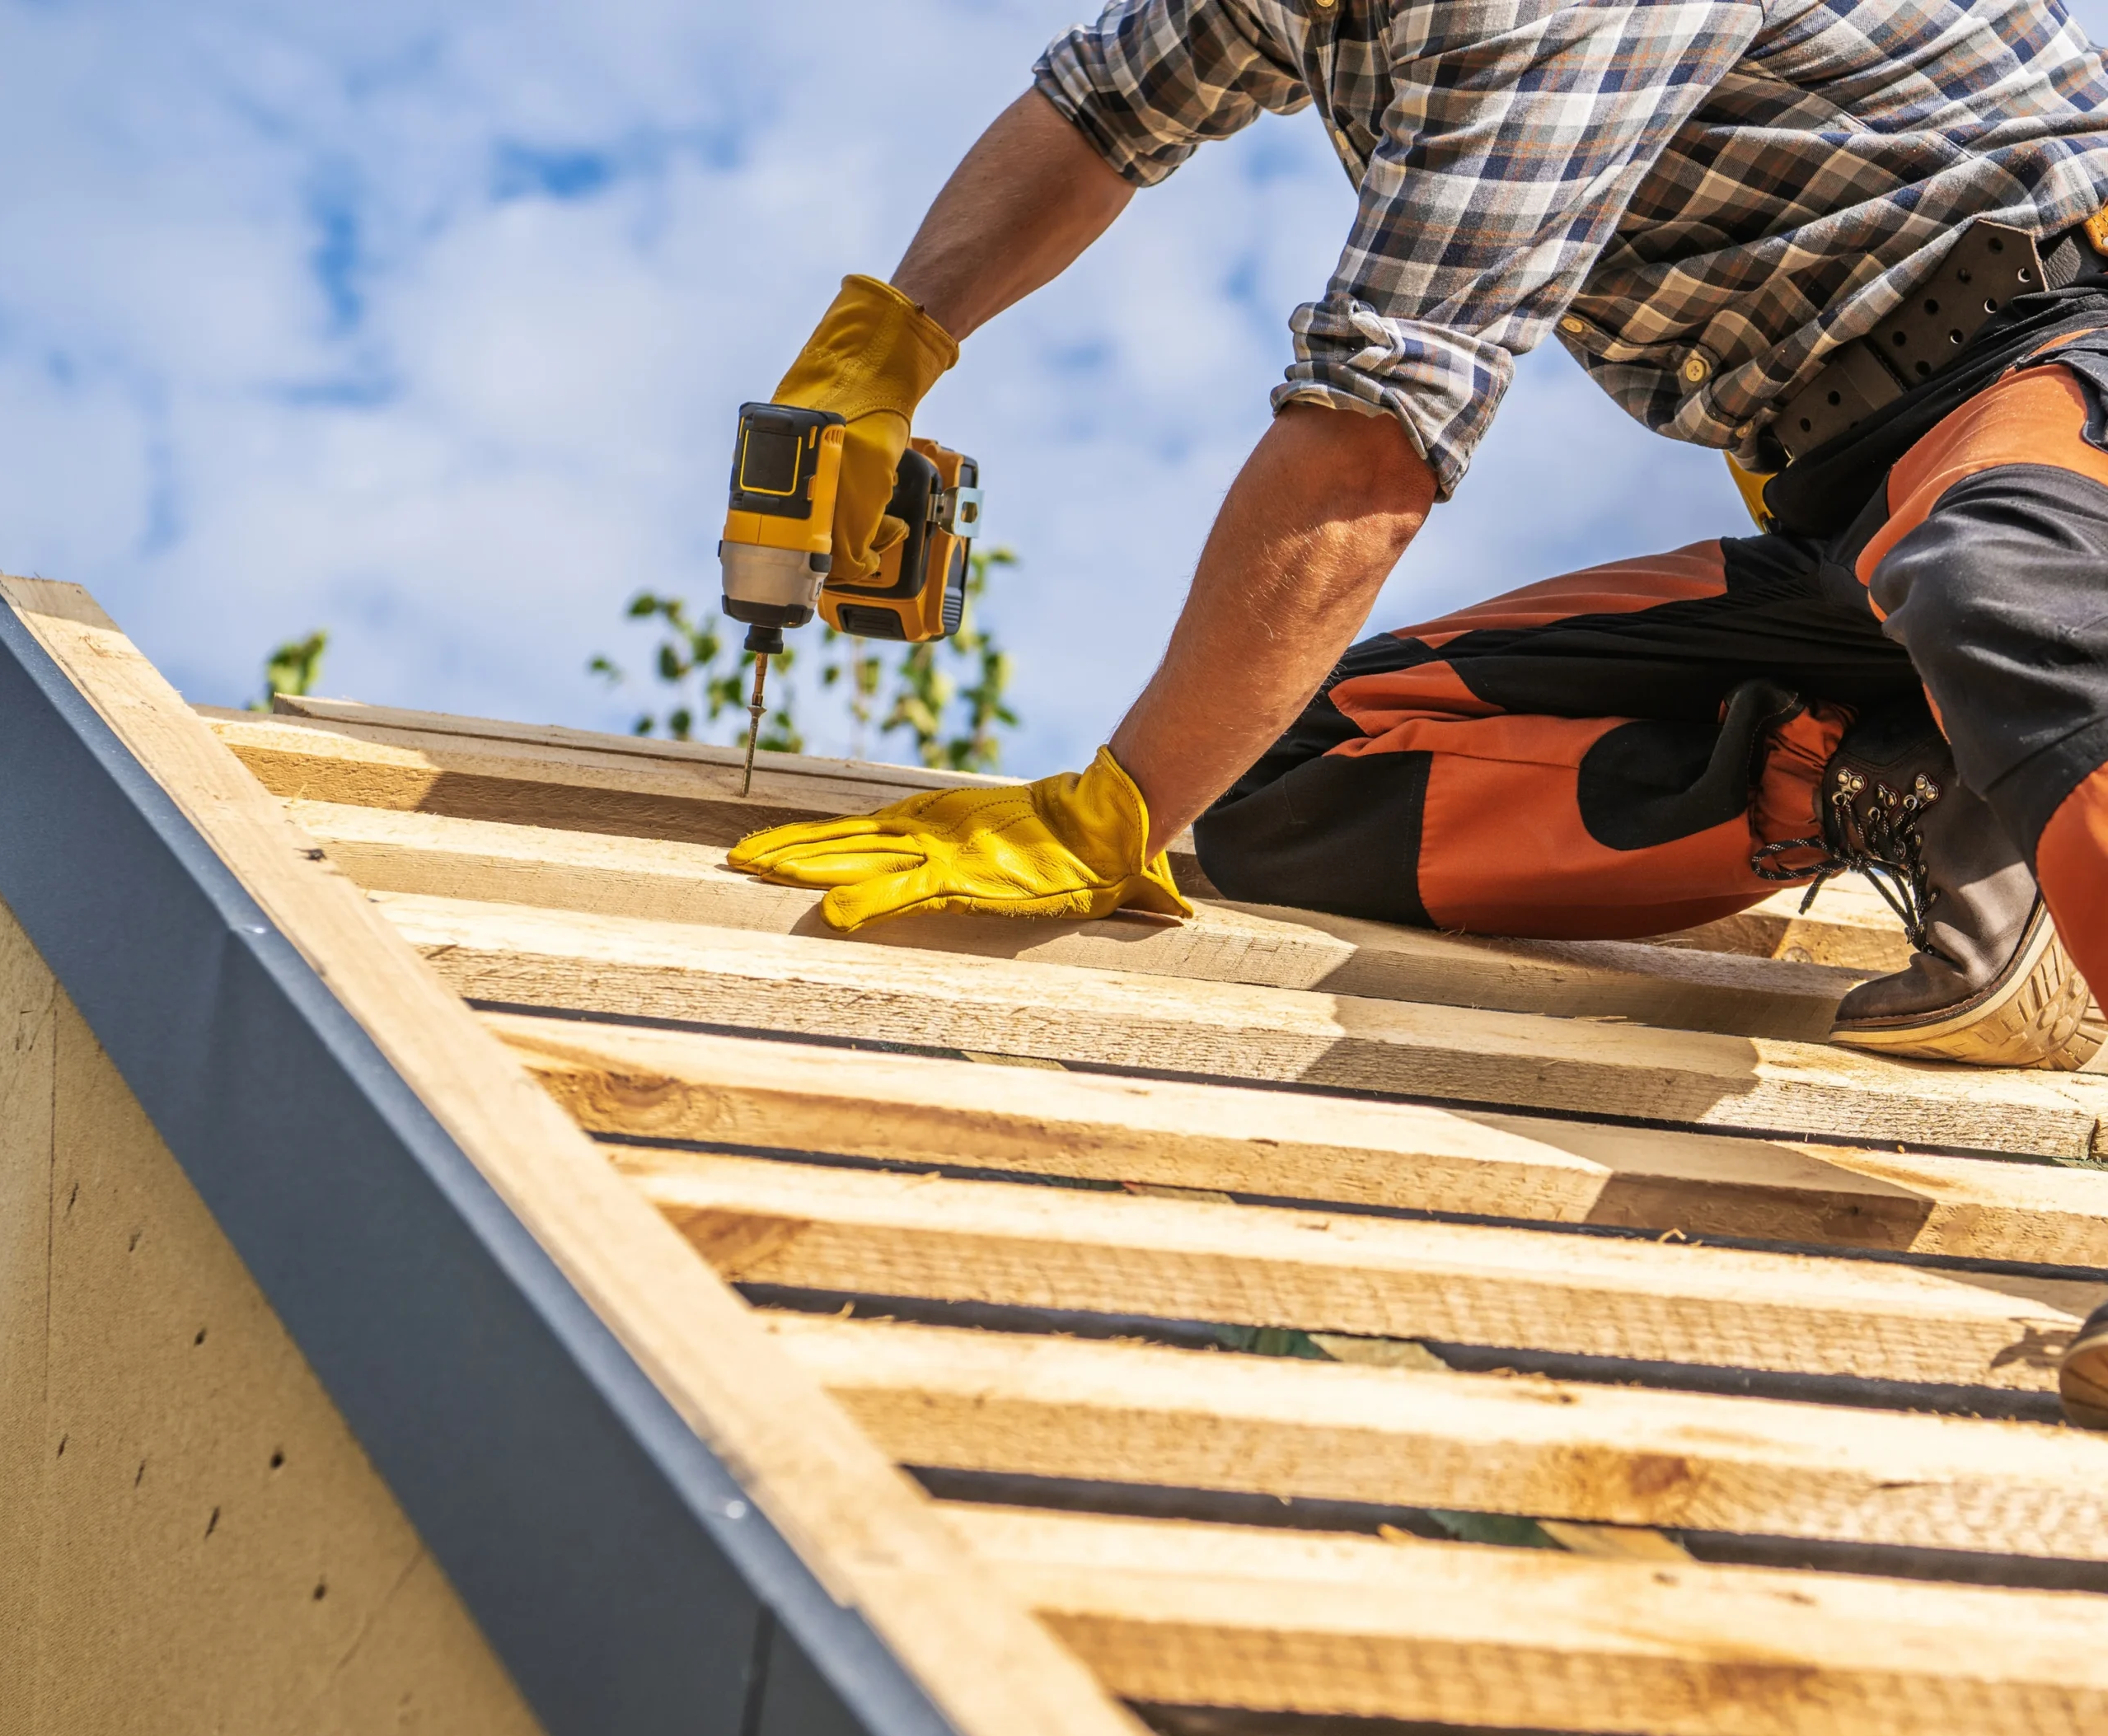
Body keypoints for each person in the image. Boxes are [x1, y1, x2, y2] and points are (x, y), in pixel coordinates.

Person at [726, 0, 2108, 1412]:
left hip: (2065, 373)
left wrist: (1111, 813)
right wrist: (890, 341)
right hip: (1855, 500)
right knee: (1299, 779)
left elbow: (1369, 443)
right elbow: (1099, 112)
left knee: (1997, 577)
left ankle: (2013, 746)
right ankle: (1939, 789)